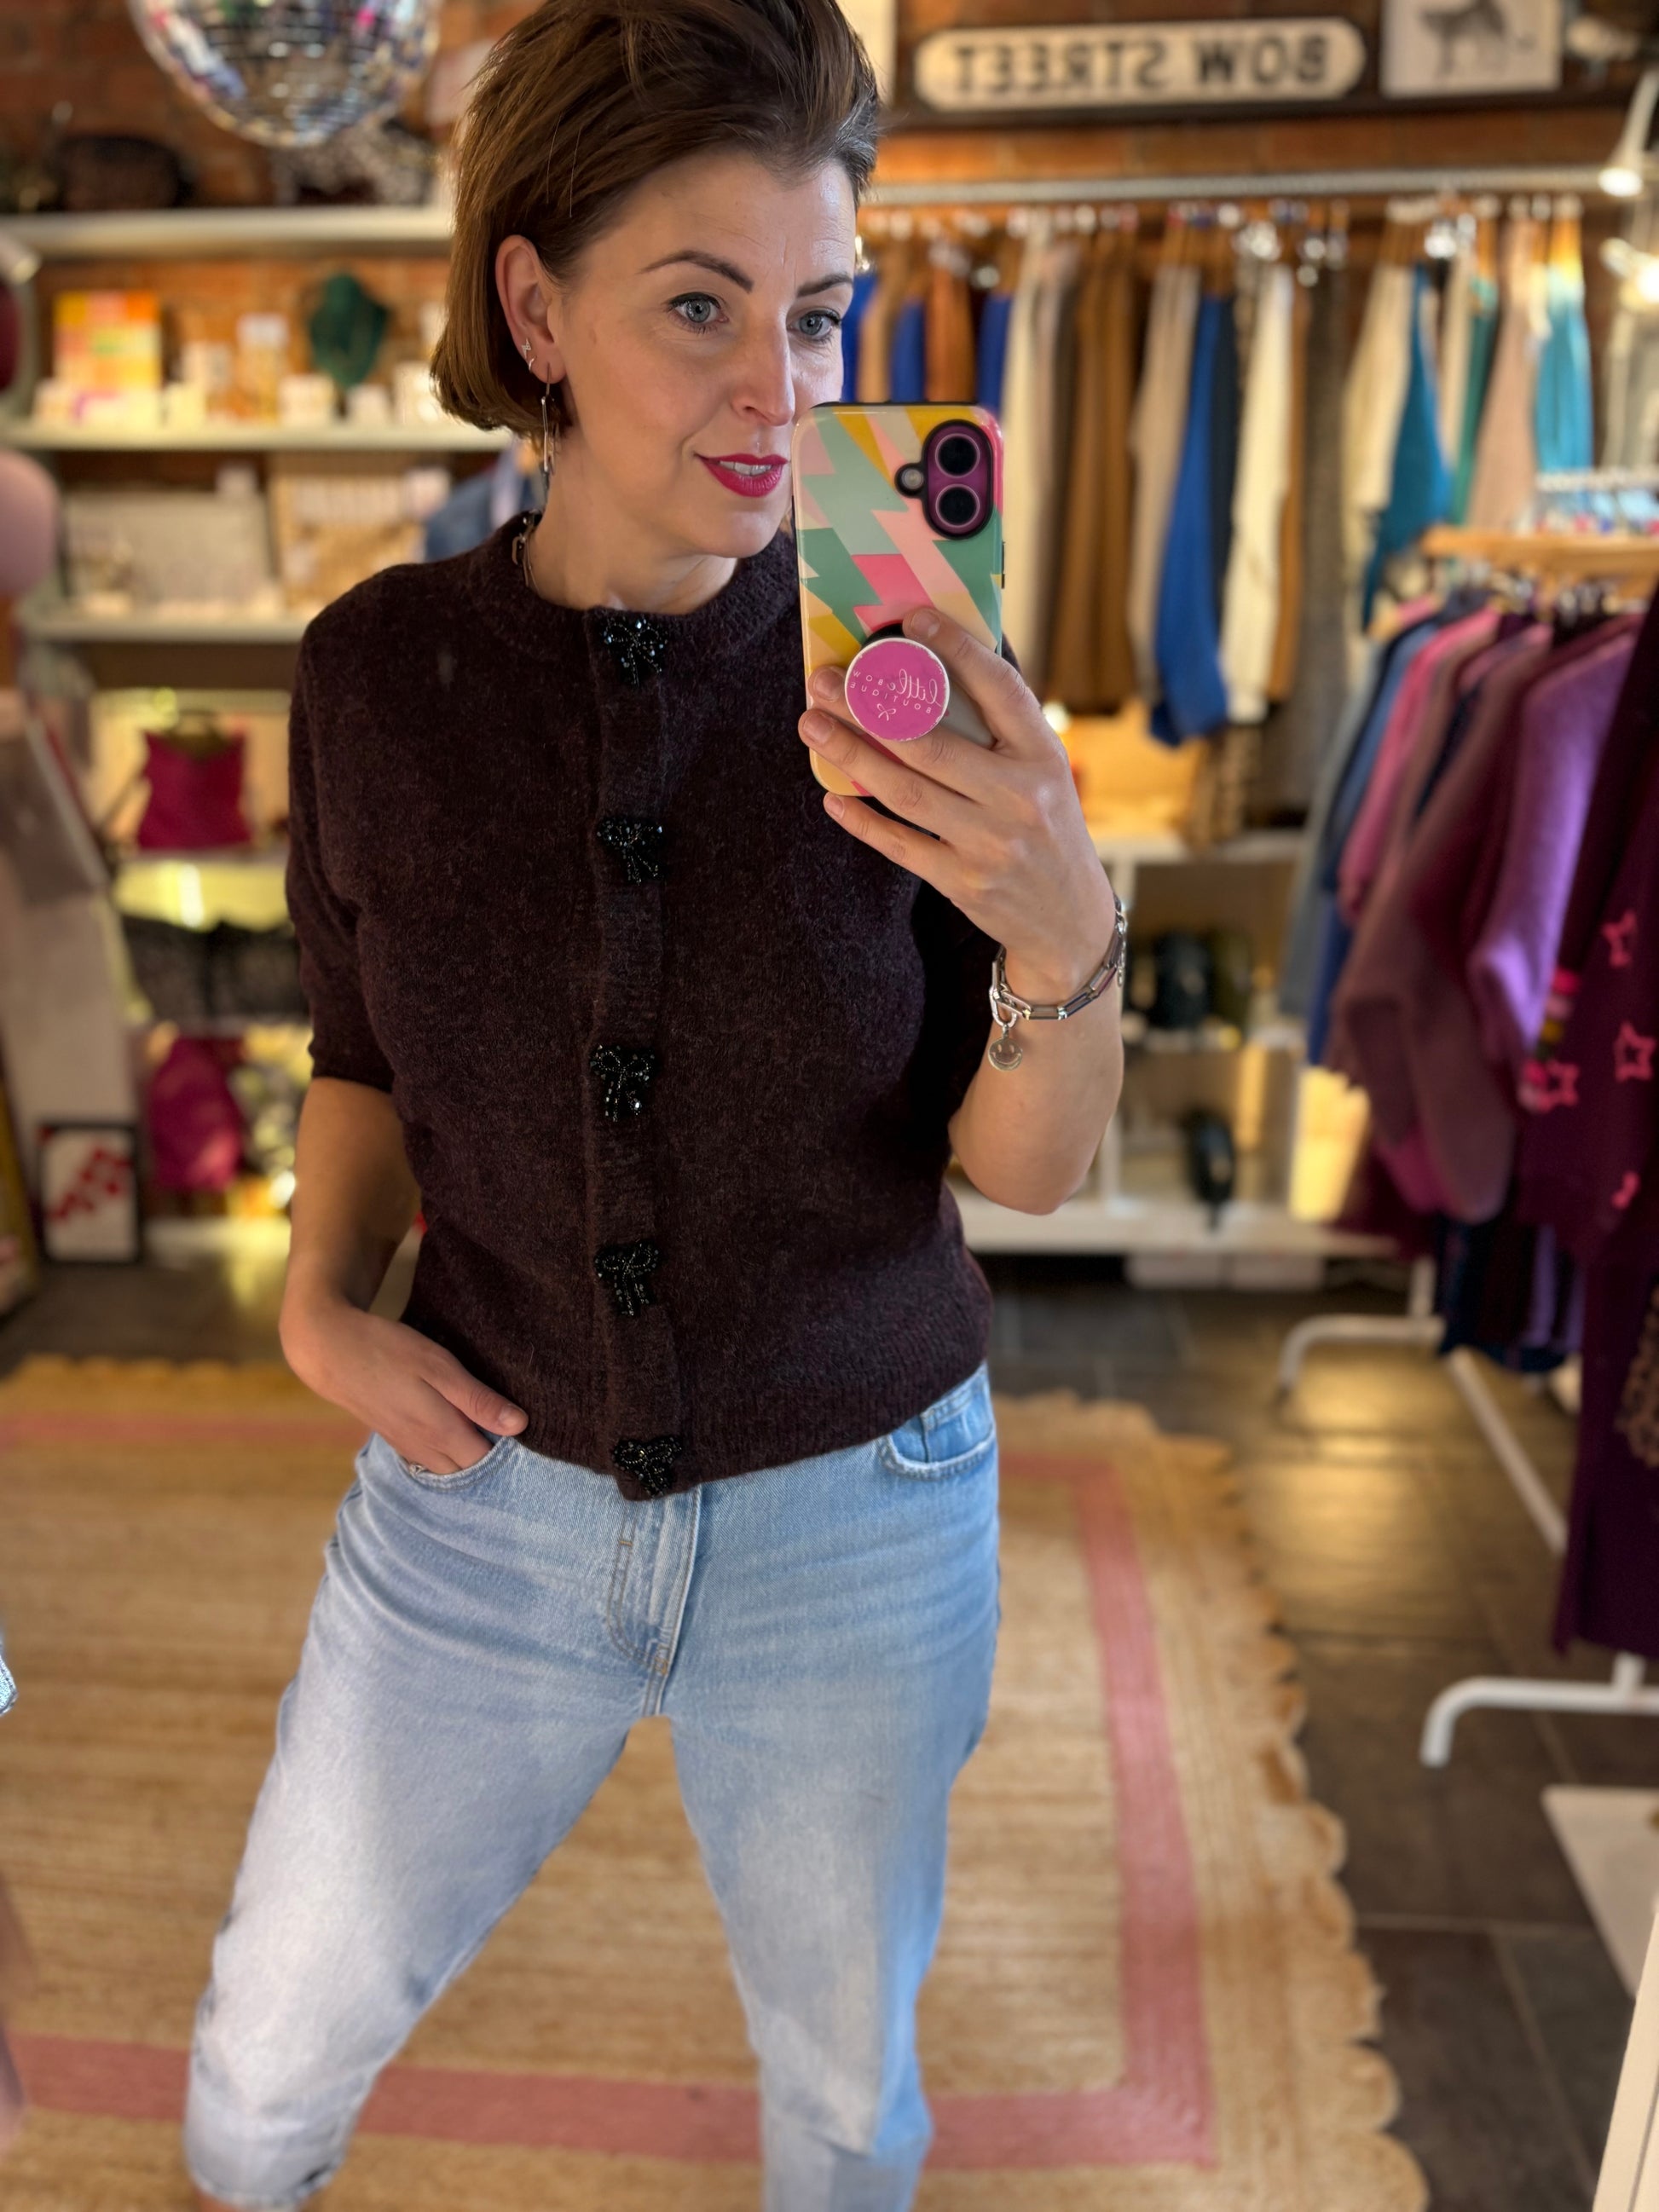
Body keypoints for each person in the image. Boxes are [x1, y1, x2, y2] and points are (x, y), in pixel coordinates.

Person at [183, 2, 1124, 2206]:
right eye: (700, 307)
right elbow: (359, 1047)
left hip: (857, 1504)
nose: (778, 391)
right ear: (534, 308)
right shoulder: (375, 677)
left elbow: (1025, 1166)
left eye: (817, 313)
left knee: (842, 2101)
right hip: (479, 1496)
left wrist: (1063, 916)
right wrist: (317, 1305)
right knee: (254, 2072)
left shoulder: (914, 679)